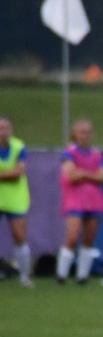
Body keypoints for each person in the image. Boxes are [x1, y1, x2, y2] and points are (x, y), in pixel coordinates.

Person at [56, 118, 103, 285]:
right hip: (74, 200)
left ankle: (82, 276)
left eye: (87, 132)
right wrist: (91, 174)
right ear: (75, 134)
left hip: (94, 200)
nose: (84, 135)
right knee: (72, 237)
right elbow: (71, 175)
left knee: (89, 239)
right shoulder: (69, 152)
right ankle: (61, 274)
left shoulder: (97, 154)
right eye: (81, 132)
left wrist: (83, 174)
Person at [0, 116, 29, 286]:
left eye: (6, 128)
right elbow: (12, 172)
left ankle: (24, 276)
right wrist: (8, 174)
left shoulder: (19, 147)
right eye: (0, 128)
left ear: (12, 130)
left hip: (15, 198)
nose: (3, 132)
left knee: (19, 236)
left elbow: (18, 172)